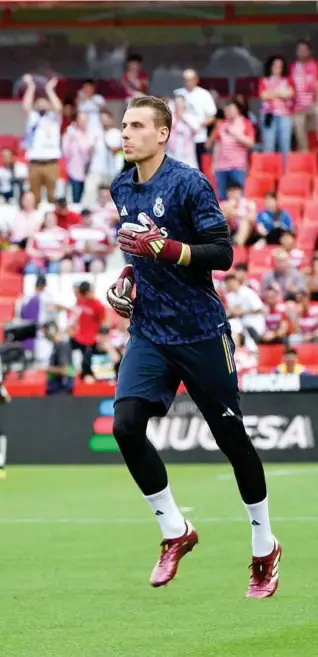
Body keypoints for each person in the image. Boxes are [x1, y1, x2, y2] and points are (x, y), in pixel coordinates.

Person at [106, 95, 281, 597]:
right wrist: (127, 279)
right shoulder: (121, 185)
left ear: (163, 134)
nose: (127, 133)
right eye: (124, 125)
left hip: (203, 332)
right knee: (125, 425)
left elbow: (222, 253)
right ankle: (174, 531)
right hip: (151, 332)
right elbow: (139, 254)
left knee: (233, 441)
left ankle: (264, 545)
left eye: (137, 125)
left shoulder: (188, 182)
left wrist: (167, 248)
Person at [22, 74, 62, 205]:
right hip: (34, 163)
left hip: (51, 163)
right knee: (34, 197)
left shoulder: (54, 118)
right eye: (38, 102)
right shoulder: (33, 118)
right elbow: (26, 107)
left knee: (52, 196)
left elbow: (58, 107)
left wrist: (49, 90)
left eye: (44, 101)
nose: (41, 103)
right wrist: (31, 87)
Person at [208, 99, 255, 201]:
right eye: (226, 110)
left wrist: (236, 135)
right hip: (222, 167)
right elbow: (217, 145)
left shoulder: (246, 123)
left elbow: (250, 143)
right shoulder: (222, 124)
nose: (227, 112)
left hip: (238, 166)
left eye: (230, 110)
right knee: (222, 197)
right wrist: (214, 164)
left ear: (237, 110)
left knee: (239, 196)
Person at [174, 69, 217, 171]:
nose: (187, 82)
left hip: (198, 138)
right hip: (180, 139)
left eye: (190, 79)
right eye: (185, 79)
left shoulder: (204, 94)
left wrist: (199, 125)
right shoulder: (178, 93)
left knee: (197, 169)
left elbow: (212, 117)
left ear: (196, 80)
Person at [83, 108, 123, 207]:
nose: (104, 122)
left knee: (110, 197)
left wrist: (106, 141)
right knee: (90, 193)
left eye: (106, 119)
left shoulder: (116, 133)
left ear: (111, 119)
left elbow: (116, 150)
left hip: (111, 171)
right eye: (102, 119)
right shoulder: (95, 133)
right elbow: (89, 150)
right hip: (96, 169)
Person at [259, 56, 295, 158]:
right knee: (268, 145)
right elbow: (263, 96)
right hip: (268, 115)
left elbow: (290, 94)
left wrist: (272, 92)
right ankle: (270, 171)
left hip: (285, 116)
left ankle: (285, 171)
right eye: (275, 65)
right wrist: (281, 92)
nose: (277, 68)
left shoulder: (288, 80)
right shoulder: (263, 80)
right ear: (270, 66)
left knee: (285, 145)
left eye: (280, 66)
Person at [290, 40, 318, 152]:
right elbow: (290, 85)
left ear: (309, 51)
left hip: (313, 104)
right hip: (297, 107)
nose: (302, 51)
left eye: (304, 49)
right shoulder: (293, 67)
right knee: (300, 136)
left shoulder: (315, 65)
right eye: (299, 49)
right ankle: (305, 161)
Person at [224, 273, 265, 348]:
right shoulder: (229, 296)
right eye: (228, 283)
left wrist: (243, 312)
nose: (230, 285)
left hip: (253, 321)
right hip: (240, 322)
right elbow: (233, 312)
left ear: (237, 281)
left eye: (232, 282)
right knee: (230, 326)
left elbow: (261, 309)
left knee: (250, 341)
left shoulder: (248, 292)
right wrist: (233, 312)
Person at [68, 208, 112, 273]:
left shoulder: (100, 230)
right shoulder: (74, 230)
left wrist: (95, 249)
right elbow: (67, 247)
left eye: (87, 217)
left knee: (97, 265)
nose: (86, 219)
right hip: (78, 257)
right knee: (74, 265)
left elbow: (109, 249)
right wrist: (76, 249)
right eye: (84, 217)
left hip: (96, 257)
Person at [62, 112, 92, 203]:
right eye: (81, 120)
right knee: (74, 196)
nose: (83, 122)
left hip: (86, 170)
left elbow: (87, 151)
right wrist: (71, 136)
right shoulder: (70, 133)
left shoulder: (88, 134)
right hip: (73, 170)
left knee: (84, 196)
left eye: (85, 120)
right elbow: (65, 152)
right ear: (77, 121)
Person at [71, 281, 106, 357]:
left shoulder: (98, 305)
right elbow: (76, 316)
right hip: (80, 338)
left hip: (92, 340)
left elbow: (103, 322)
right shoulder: (79, 301)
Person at [167, 93, 199, 168]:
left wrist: (183, 118)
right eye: (176, 103)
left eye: (180, 103)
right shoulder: (170, 118)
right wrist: (177, 118)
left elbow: (196, 131)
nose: (178, 105)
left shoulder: (191, 117)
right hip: (172, 151)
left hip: (187, 152)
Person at [42, 321, 74, 394]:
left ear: (51, 331)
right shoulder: (57, 346)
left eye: (45, 332)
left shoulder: (61, 345)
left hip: (61, 390)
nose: (44, 335)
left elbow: (64, 370)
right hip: (58, 389)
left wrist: (46, 369)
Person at [220, 182, 256, 246]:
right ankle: (224, 244)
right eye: (230, 191)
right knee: (223, 223)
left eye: (235, 191)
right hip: (230, 231)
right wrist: (229, 208)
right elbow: (219, 219)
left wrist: (236, 213)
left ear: (240, 192)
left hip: (248, 232)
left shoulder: (249, 203)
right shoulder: (223, 205)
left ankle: (237, 244)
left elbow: (253, 218)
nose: (233, 194)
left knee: (245, 222)